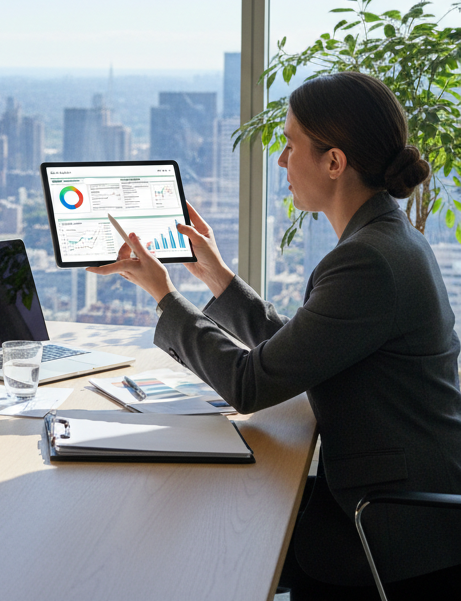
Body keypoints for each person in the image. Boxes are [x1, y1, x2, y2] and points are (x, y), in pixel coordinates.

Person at [90, 71, 461, 599]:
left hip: (392, 532)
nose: (282, 161)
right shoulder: (388, 237)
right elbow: (304, 349)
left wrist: (164, 295)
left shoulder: (369, 261)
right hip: (394, 499)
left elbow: (250, 383)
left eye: (290, 145)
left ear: (334, 163)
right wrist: (214, 275)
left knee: (201, 543)